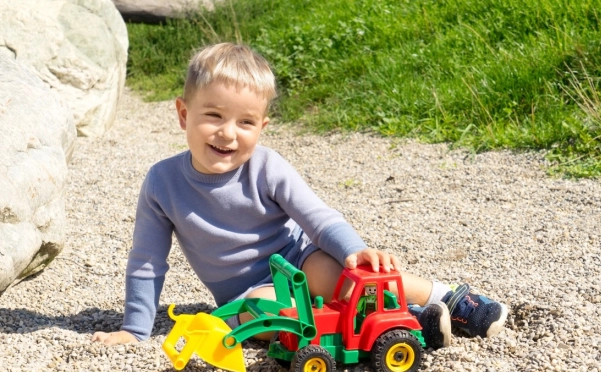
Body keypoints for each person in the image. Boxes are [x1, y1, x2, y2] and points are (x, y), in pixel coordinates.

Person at [91, 42, 508, 349]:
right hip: (246, 292)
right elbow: (147, 262)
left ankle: (449, 298)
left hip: (296, 262)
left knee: (351, 279)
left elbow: (318, 218)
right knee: (263, 313)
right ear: (184, 114)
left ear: (262, 127)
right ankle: (414, 324)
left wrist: (355, 250)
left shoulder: (267, 166)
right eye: (213, 116)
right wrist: (135, 328)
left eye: (246, 122)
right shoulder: (162, 182)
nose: (228, 133)